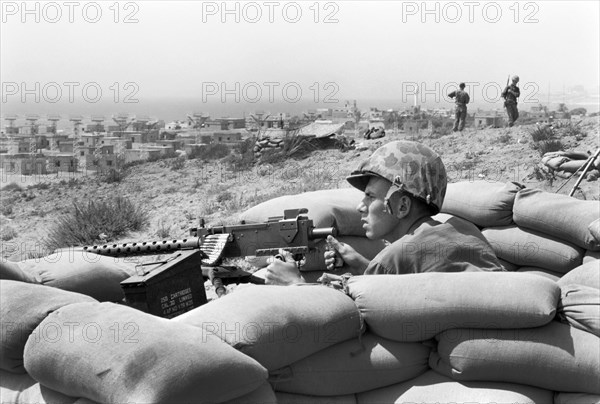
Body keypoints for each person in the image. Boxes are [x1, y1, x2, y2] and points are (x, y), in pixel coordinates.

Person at [264, 141, 503, 285]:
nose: (360, 206)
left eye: (370, 196)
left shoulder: (397, 255)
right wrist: (362, 265)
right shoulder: (467, 229)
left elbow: (351, 315)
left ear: (401, 206)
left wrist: (293, 283)